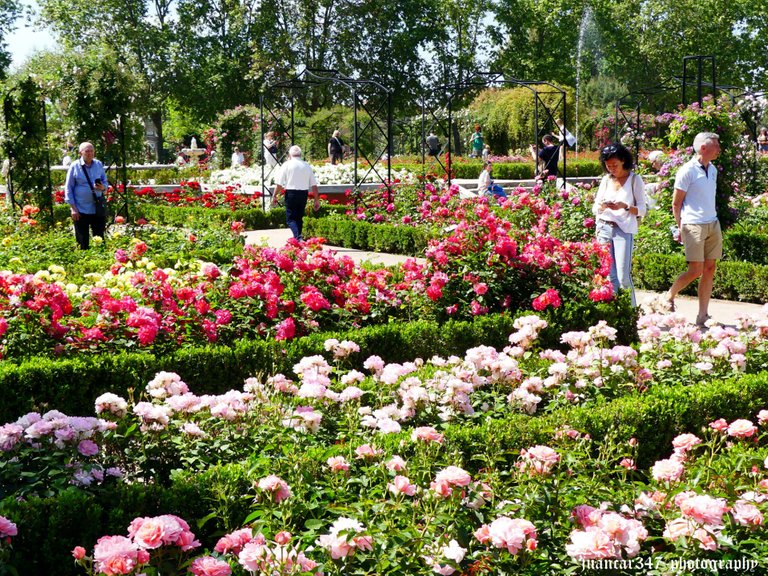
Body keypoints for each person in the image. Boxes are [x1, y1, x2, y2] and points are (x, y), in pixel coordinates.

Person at [664, 132, 722, 327]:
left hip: (712, 223)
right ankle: (669, 295)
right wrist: (681, 227)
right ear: (703, 148)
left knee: (709, 268)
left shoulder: (712, 169)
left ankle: (703, 315)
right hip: (693, 224)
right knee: (695, 270)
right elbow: (676, 203)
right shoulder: (687, 170)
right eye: (716, 145)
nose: (719, 148)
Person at [592, 143, 646, 307]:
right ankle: (614, 310)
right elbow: (595, 207)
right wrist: (602, 206)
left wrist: (625, 206)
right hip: (604, 226)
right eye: (608, 166)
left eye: (615, 165)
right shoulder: (606, 180)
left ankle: (631, 312)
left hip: (623, 229)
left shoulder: (634, 180)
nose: (612, 169)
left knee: (623, 275)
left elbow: (642, 209)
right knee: (610, 274)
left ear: (623, 161)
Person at [64, 142, 108, 250]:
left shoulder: (98, 164)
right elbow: (68, 187)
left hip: (97, 208)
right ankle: (84, 261)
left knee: (100, 238)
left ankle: (100, 260)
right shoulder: (75, 166)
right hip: (80, 209)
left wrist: (102, 187)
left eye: (91, 151)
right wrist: (73, 208)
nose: (90, 153)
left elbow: (105, 182)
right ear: (80, 153)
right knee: (82, 240)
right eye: (87, 151)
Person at [271, 145, 320, 241]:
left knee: (290, 219)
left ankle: (298, 237)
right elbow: (314, 185)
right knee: (299, 217)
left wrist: (274, 196)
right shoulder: (306, 165)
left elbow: (279, 184)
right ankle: (298, 238)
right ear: (300, 154)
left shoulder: (287, 165)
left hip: (291, 193)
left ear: (289, 154)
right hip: (303, 193)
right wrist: (316, 200)